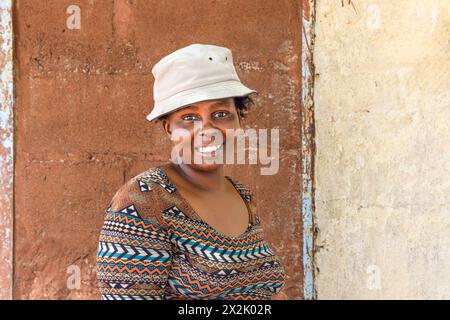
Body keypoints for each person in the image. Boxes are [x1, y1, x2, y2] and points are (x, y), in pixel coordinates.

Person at [96, 44, 286, 300]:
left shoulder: (242, 195)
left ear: (239, 121)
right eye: (188, 118)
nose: (207, 130)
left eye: (221, 114)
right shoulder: (143, 200)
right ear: (169, 129)